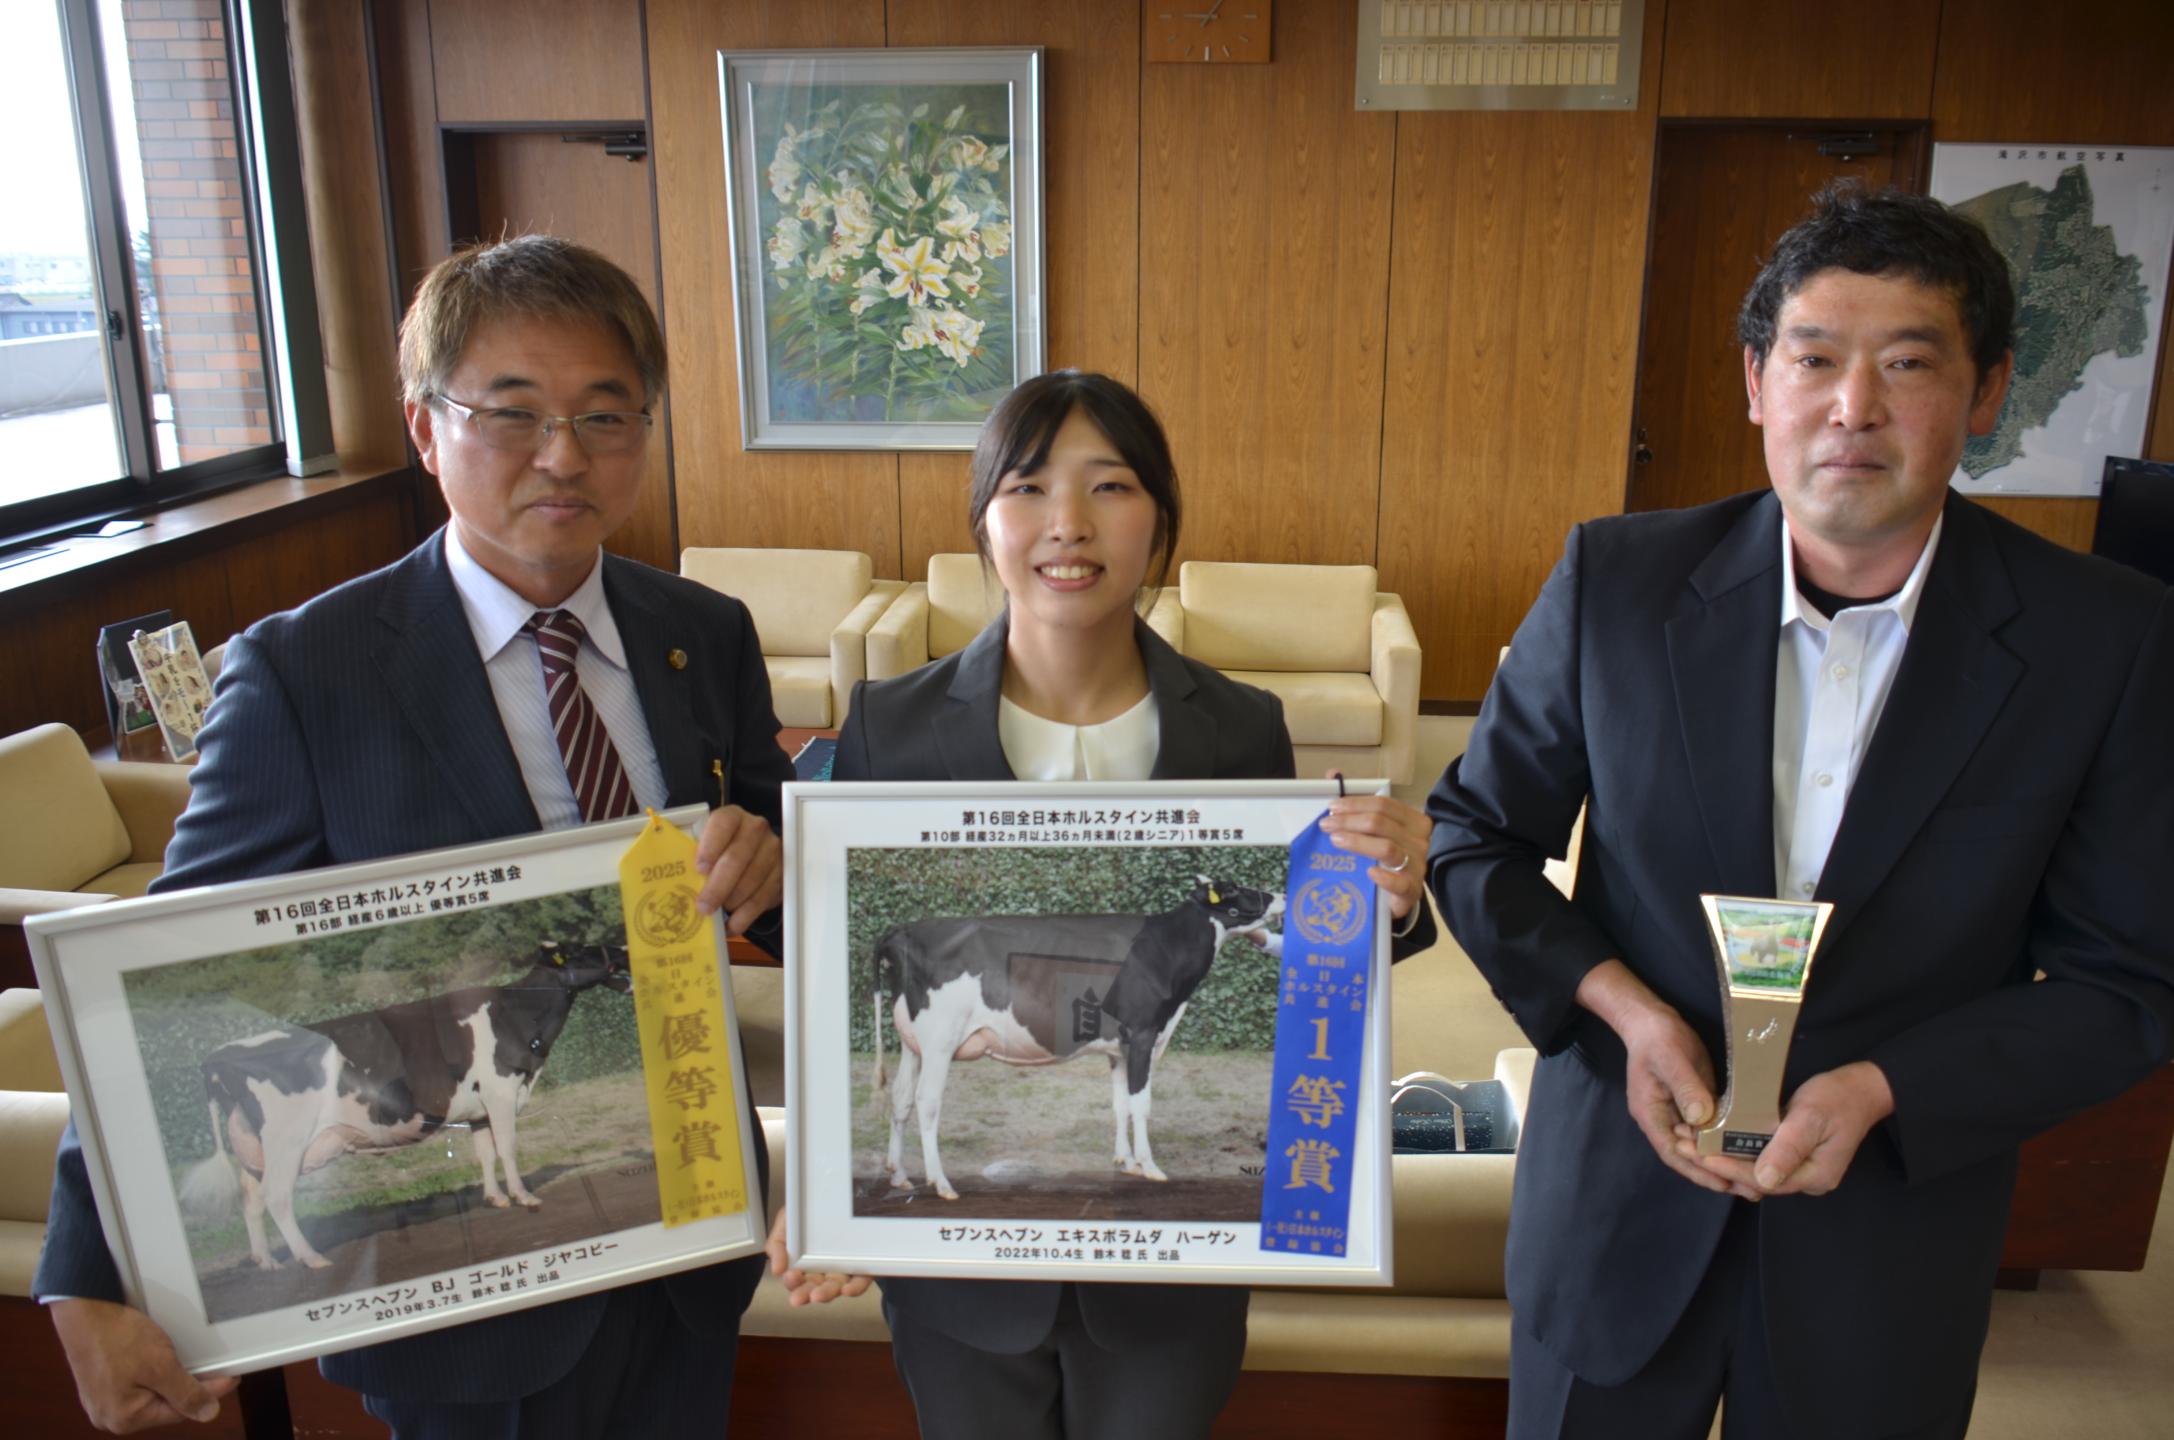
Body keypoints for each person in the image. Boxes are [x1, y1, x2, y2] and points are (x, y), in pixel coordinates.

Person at [1426, 181, 2174, 1439]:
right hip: (1614, 1201)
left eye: (1906, 364)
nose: (1851, 408)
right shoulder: (1616, 583)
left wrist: (1883, 1086)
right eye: (1814, 358)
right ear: (1754, 381)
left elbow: (2129, 979)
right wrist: (1619, 1006)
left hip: (1885, 1237)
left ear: (1985, 392)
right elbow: (1474, 838)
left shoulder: (2102, 641)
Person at [36, 234, 793, 1437]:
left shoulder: (701, 630)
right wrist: (87, 1265)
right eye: (512, 413)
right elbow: (170, 971)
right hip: (461, 1289)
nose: (563, 455)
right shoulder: (304, 671)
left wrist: (773, 868)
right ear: (424, 428)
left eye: (607, 415)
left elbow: (778, 886)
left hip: (688, 1234)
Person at [764, 369, 1439, 1439]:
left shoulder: (1240, 728)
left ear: (1160, 526)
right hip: (957, 1284)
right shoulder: (888, 724)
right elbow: (832, 961)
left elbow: (1322, 952)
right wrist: (821, 1178)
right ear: (983, 521)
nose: (1065, 524)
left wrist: (1386, 898)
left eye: (1109, 487)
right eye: (1026, 488)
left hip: (1168, 1291)